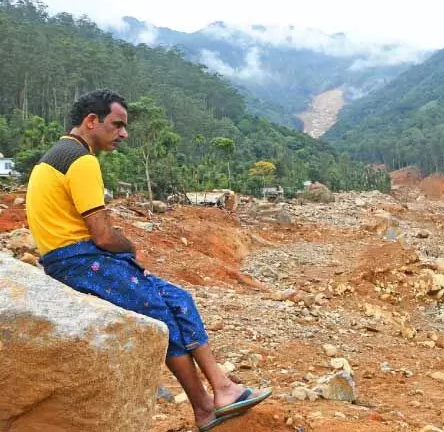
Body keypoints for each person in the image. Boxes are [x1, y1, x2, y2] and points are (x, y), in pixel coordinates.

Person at [26, 89, 271, 431]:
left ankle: (224, 387)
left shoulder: (58, 154)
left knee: (178, 299)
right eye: (117, 125)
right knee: (159, 313)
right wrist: (130, 249)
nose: (124, 134)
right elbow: (103, 235)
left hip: (69, 257)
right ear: (91, 121)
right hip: (77, 260)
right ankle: (203, 408)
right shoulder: (81, 160)